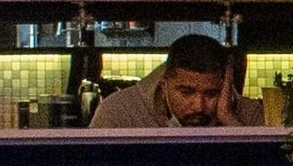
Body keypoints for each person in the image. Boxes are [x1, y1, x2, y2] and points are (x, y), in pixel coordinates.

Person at [90, 32, 260, 129]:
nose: (199, 106)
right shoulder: (118, 112)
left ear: (225, 85)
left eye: (211, 94)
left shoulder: (249, 114)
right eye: (186, 93)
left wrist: (230, 121)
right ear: (164, 84)